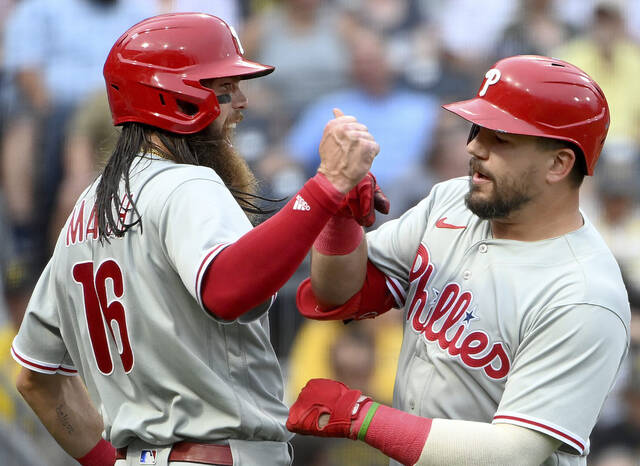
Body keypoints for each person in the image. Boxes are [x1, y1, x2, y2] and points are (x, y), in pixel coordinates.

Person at [10, 13, 380, 466]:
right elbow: (229, 292)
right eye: (225, 88)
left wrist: (113, 462)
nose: (241, 102)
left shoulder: (84, 211)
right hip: (220, 454)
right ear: (176, 97)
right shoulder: (188, 184)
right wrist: (327, 186)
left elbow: (35, 377)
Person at [287, 55, 631, 466]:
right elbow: (338, 291)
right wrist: (341, 216)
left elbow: (513, 452)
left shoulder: (583, 294)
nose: (474, 147)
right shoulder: (453, 202)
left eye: (500, 138)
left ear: (558, 164)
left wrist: (364, 418)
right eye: (476, 129)